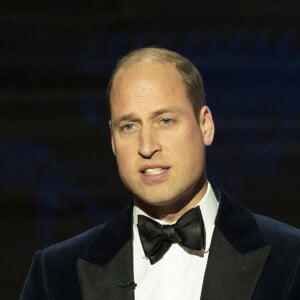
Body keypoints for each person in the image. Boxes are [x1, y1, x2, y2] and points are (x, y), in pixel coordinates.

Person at [20, 47, 300, 300]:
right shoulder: (56, 274)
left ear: (205, 125)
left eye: (165, 121)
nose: (147, 146)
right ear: (113, 140)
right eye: (129, 126)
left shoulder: (289, 259)